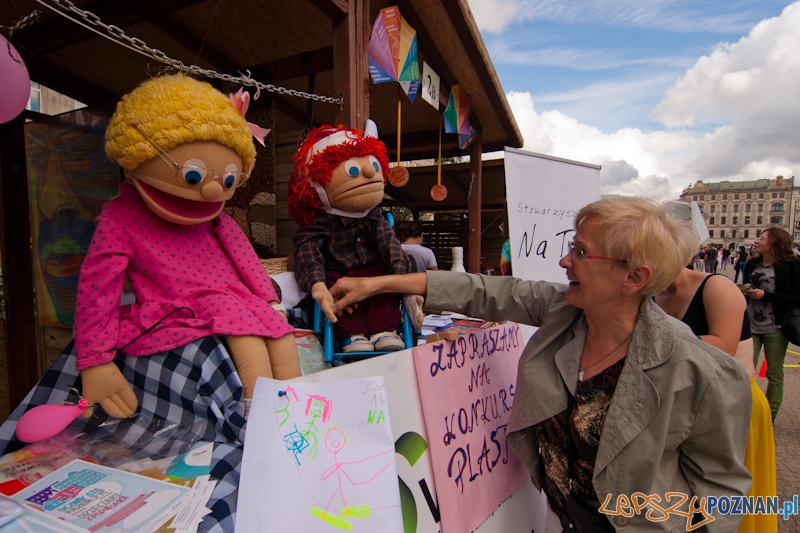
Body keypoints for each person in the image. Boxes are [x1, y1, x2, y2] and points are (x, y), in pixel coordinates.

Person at [328, 196, 751, 532]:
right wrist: (378, 283)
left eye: (581, 252)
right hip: (559, 519)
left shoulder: (700, 370)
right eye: (572, 246)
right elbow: (482, 290)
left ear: (634, 278)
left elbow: (723, 490)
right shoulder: (564, 312)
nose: (565, 261)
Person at [655, 267, 776, 533]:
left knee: (729, 504)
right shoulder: (653, 292)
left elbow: (723, 345)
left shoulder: (716, 286)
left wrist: (644, 340)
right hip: (691, 407)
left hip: (734, 406)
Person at [743, 228, 800, 421]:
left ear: (775, 243)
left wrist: (766, 296)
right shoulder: (752, 263)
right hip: (751, 323)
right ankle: (747, 411)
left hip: (777, 326)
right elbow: (749, 286)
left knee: (774, 373)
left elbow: (796, 297)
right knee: (745, 370)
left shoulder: (791, 265)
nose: (756, 241)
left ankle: (770, 415)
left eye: (762, 238)